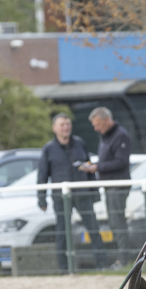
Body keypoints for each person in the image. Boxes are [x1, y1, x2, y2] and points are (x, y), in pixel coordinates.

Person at [37, 113, 107, 272]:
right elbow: (42, 175)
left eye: (68, 124)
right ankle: (64, 268)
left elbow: (89, 168)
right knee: (62, 233)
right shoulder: (48, 149)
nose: (66, 127)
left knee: (94, 229)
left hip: (82, 195)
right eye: (62, 125)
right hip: (61, 198)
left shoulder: (80, 144)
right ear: (54, 128)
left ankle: (102, 264)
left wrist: (94, 193)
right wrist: (41, 199)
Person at [79, 107, 132, 268]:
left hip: (118, 186)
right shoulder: (106, 137)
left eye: (98, 124)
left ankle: (124, 259)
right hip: (109, 187)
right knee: (114, 223)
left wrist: (97, 167)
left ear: (107, 120)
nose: (96, 129)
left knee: (118, 223)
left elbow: (121, 161)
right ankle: (122, 258)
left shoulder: (120, 135)